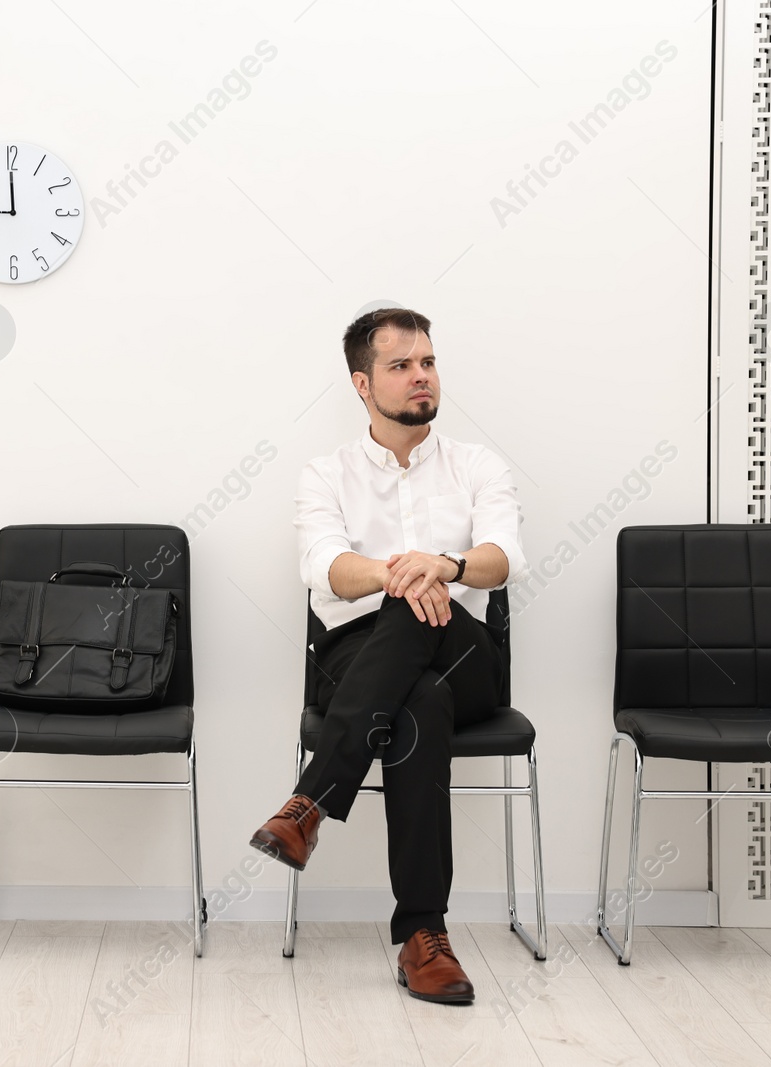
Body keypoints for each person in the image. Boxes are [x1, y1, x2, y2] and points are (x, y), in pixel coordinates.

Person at [249, 307, 529, 1004]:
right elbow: (325, 568)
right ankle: (422, 938)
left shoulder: (477, 464)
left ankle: (310, 805)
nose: (420, 376)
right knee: (417, 698)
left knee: (423, 627)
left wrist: (442, 565)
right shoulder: (326, 473)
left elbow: (503, 558)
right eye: (400, 365)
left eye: (427, 362)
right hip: (354, 655)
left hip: (470, 661)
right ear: (362, 383)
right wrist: (396, 574)